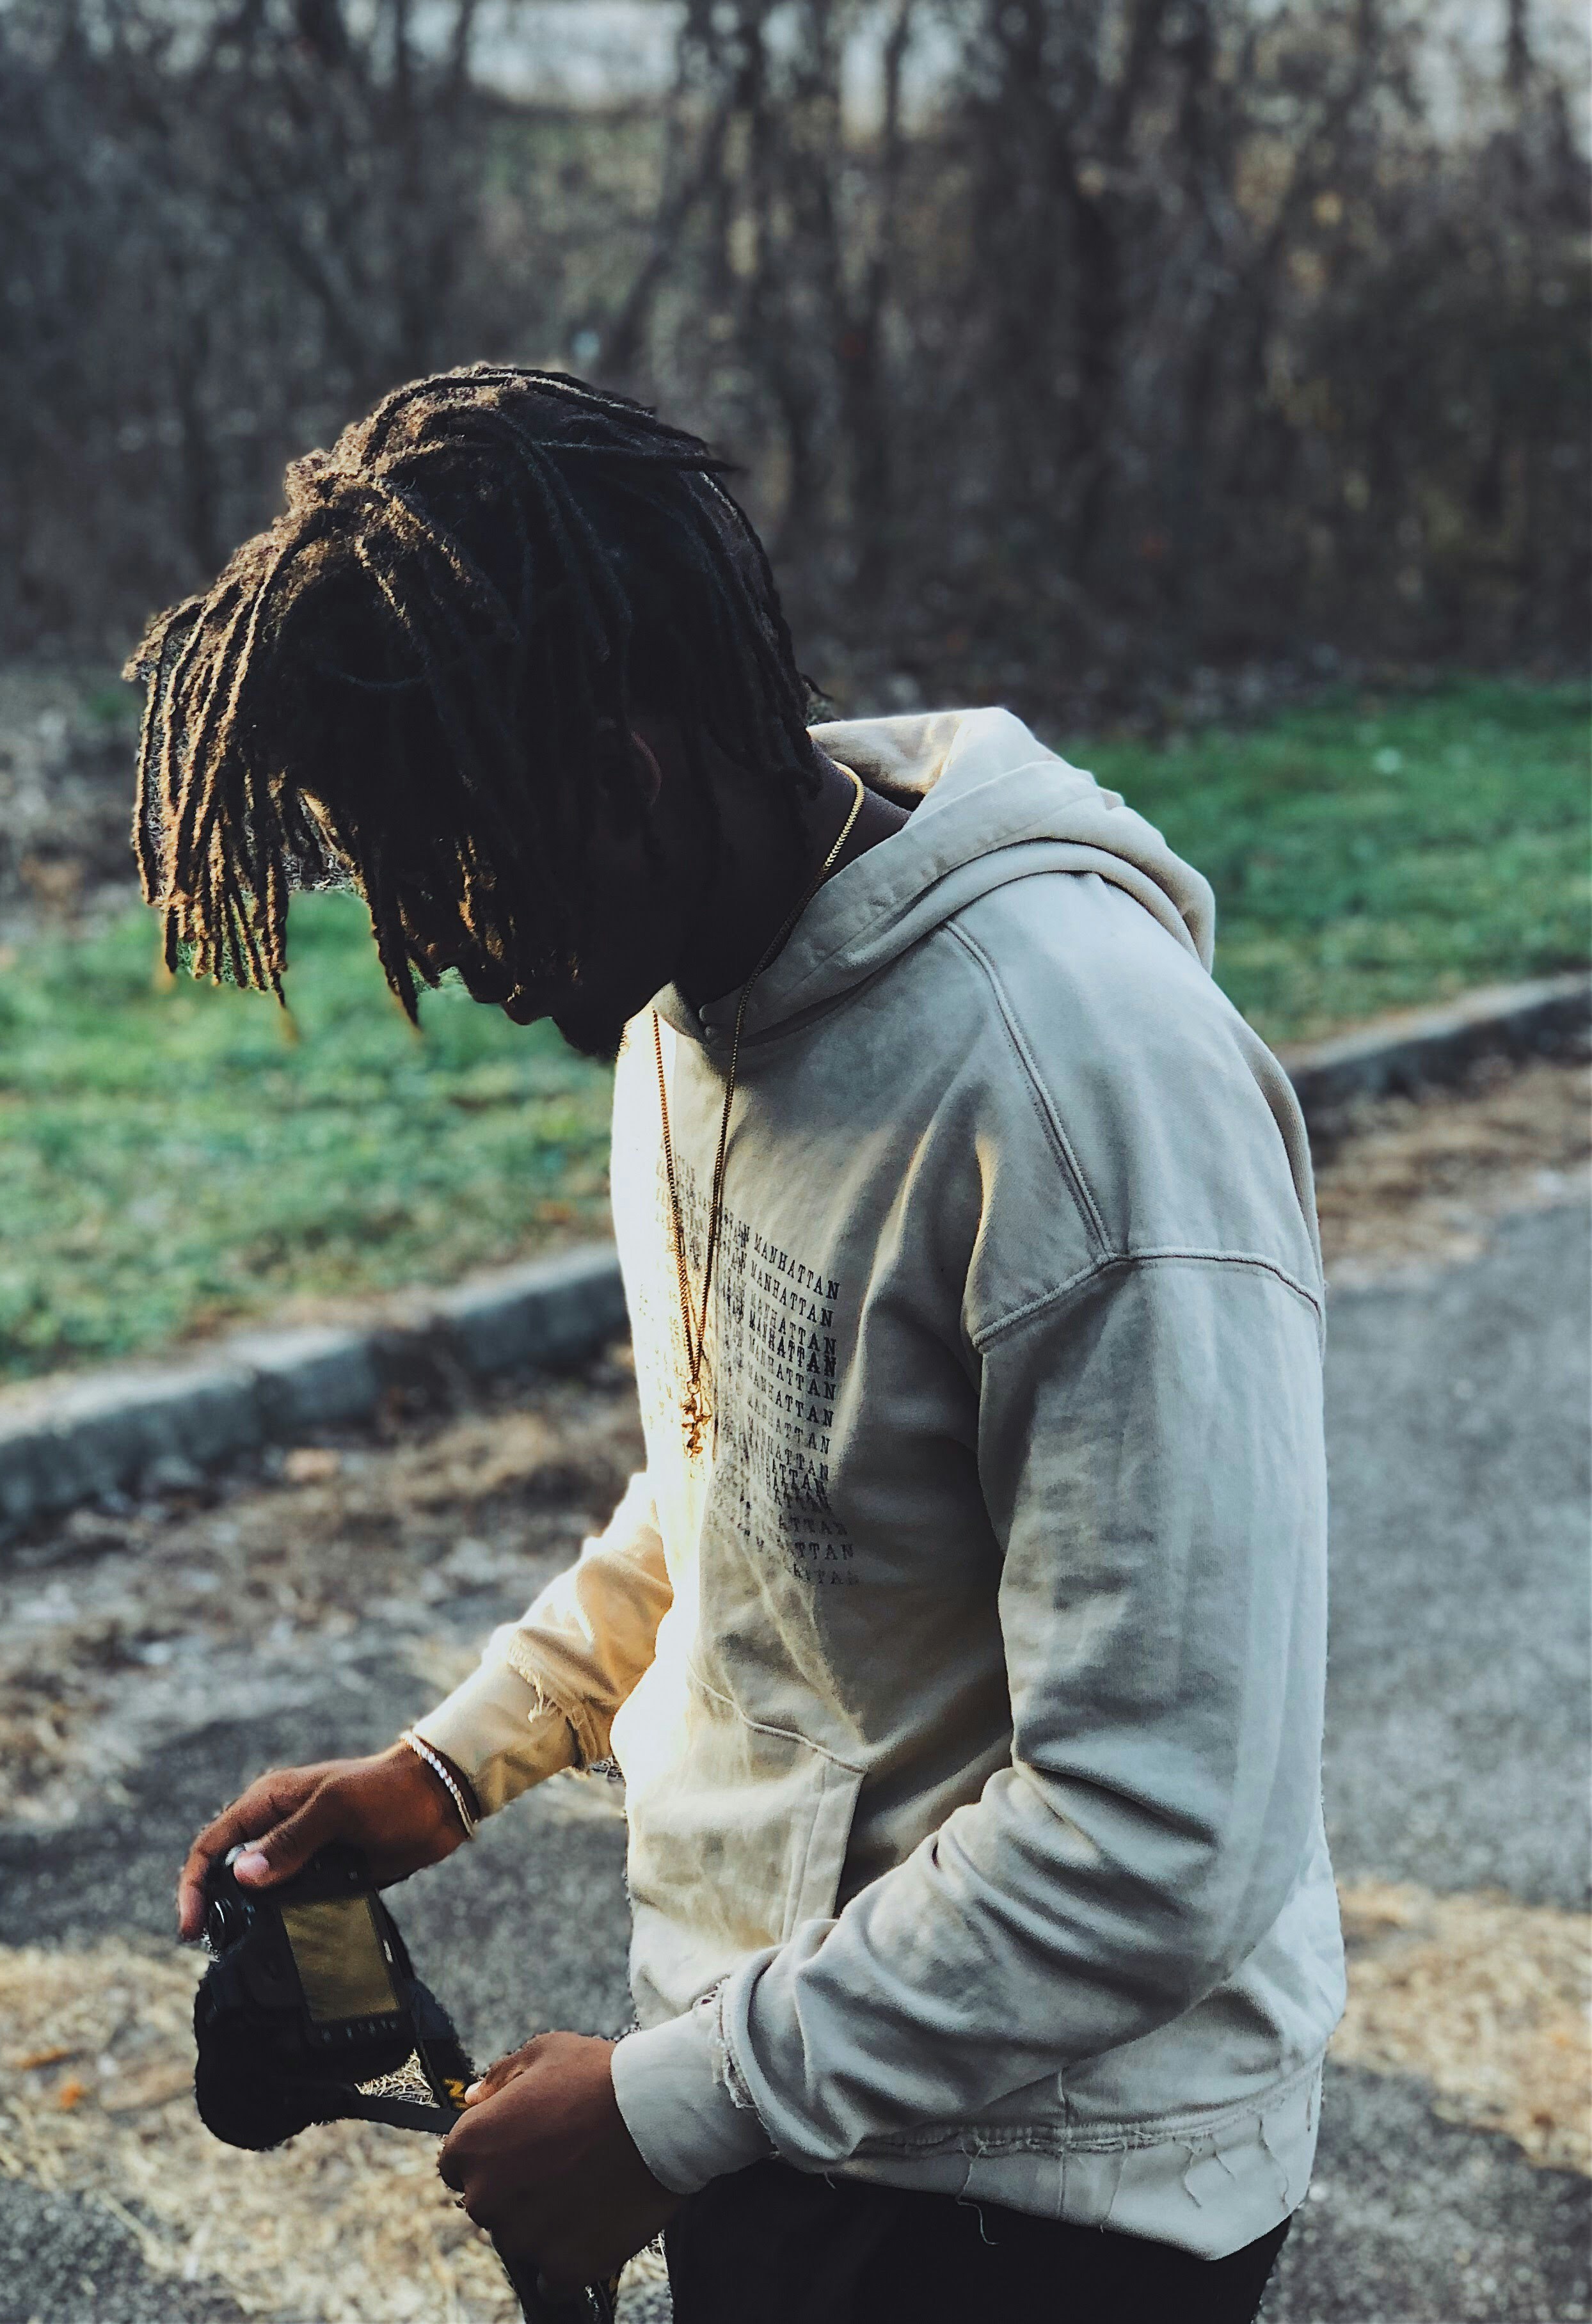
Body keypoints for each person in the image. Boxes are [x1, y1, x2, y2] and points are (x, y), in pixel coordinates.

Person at [136, 366, 1343, 2323]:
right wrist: (446, 1773)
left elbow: (1164, 1834)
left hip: (1047, 2209)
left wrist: (664, 2113)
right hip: (797, 2091)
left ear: (622, 766)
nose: (443, 954)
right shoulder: (692, 1000)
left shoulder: (1081, 1092)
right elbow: (751, 1483)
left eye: (462, 872)